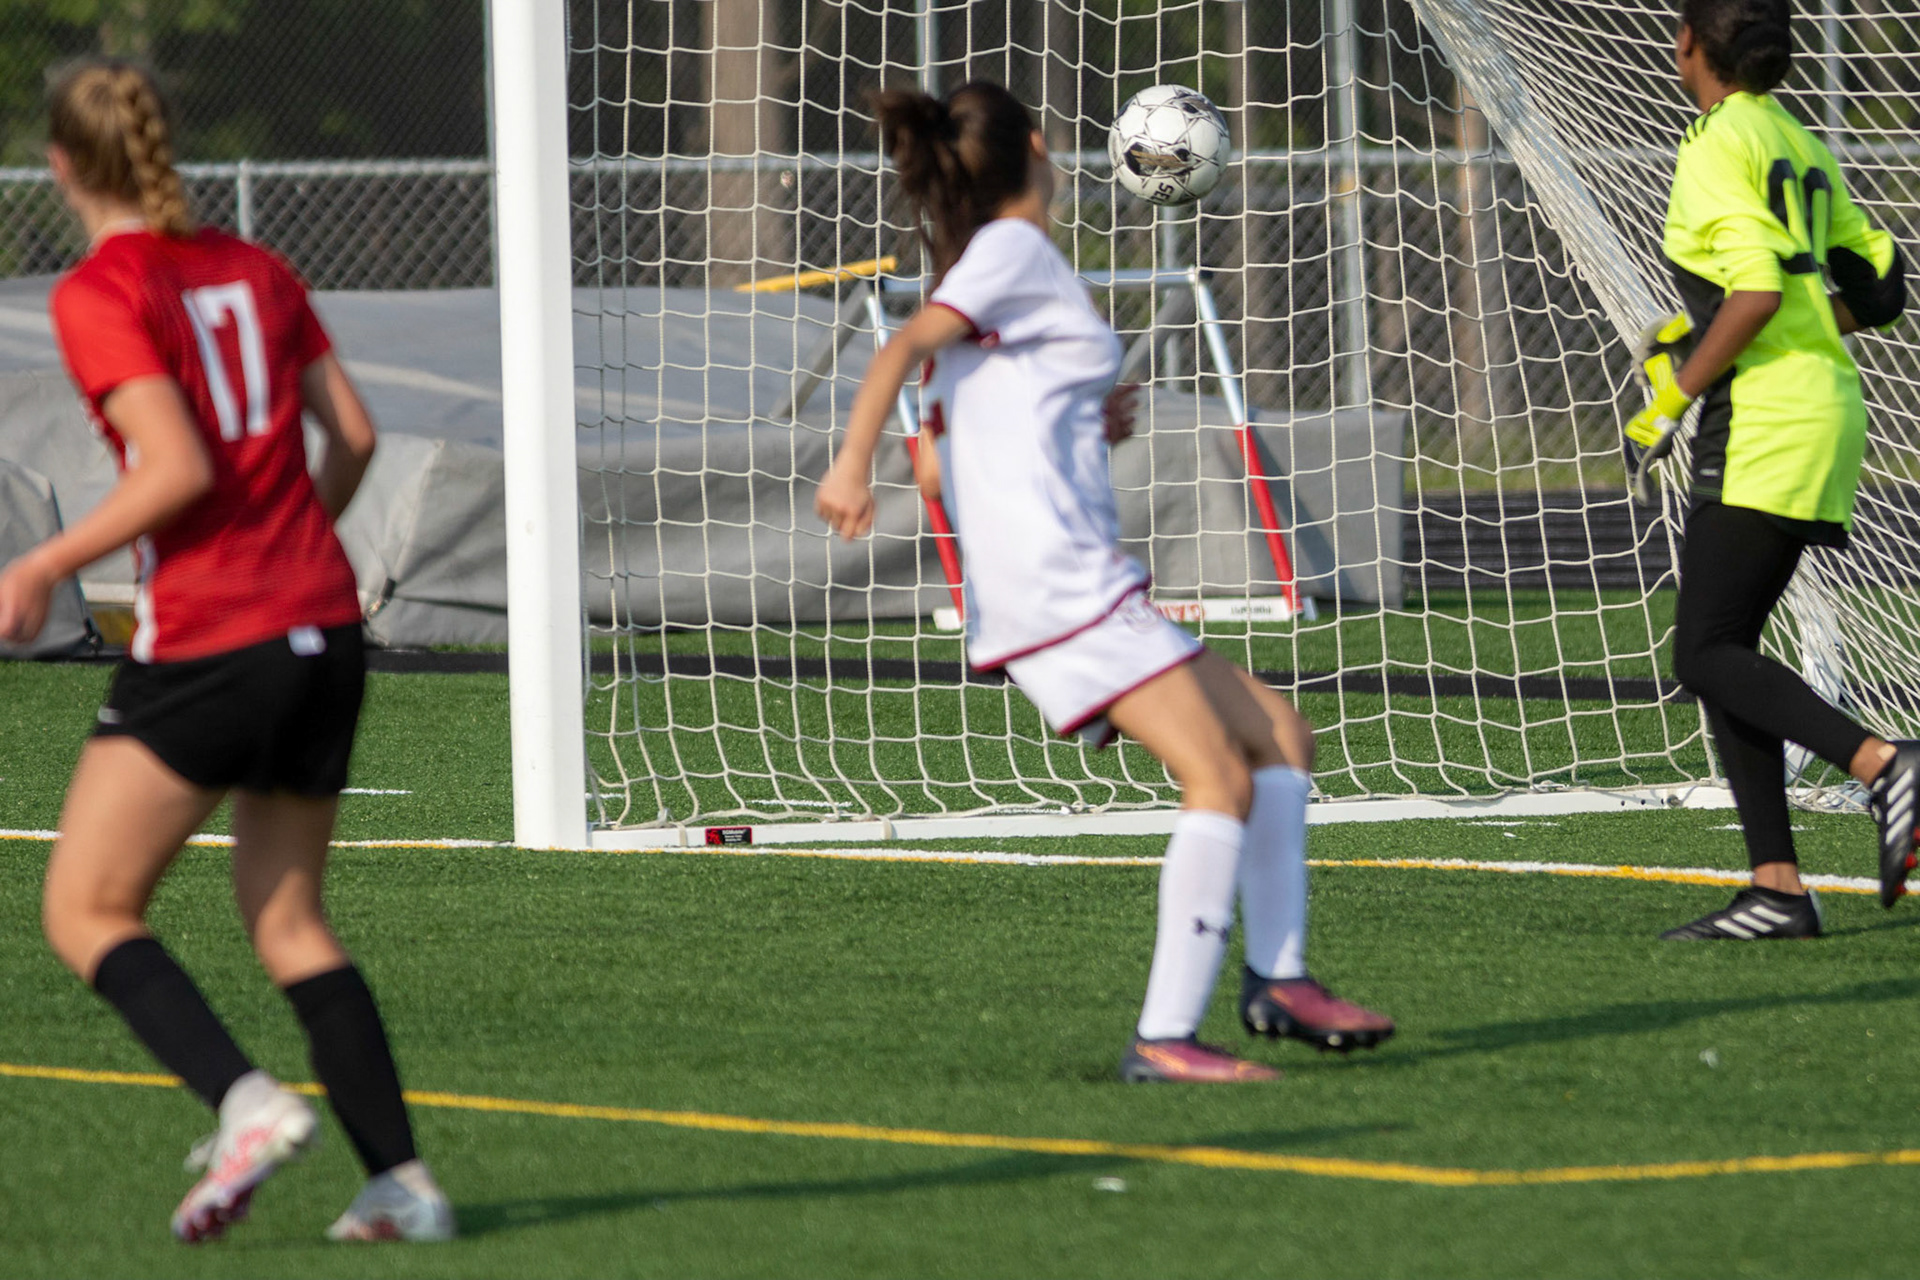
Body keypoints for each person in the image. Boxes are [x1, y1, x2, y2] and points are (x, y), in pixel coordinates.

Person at [815, 81, 1393, 1081]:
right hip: (1060, 589)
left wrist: (1087, 417)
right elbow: (904, 347)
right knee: (1218, 775)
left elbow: (940, 467)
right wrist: (848, 465)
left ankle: (1279, 977)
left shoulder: (996, 273)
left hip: (1073, 583)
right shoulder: (1010, 252)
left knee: (1278, 737)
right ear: (1038, 148)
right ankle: (1166, 1037)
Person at [0, 61, 452, 1242]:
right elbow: (355, 434)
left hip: (216, 633)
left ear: (60, 166)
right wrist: (298, 538)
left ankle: (246, 1101)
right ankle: (402, 1184)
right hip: (323, 629)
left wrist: (43, 564)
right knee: (289, 919)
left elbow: (176, 467)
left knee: (86, 907)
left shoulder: (102, 290)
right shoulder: (257, 268)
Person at [1623, 0, 1913, 939]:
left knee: (1704, 652)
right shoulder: (1796, 137)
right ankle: (1778, 890)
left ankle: (1885, 766)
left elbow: (1750, 293)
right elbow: (1882, 285)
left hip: (1763, 422)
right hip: (1824, 410)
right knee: (1727, 648)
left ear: (1689, 44)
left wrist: (1672, 396)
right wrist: (1772, 328)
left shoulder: (1716, 144)